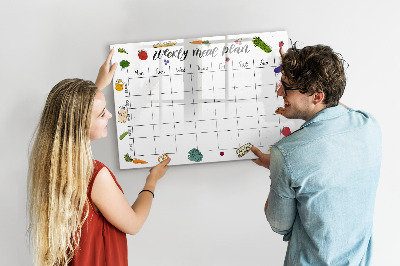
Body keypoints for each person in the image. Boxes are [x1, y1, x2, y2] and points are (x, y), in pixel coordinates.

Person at [27, 49, 171, 266]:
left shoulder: (49, 163)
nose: (110, 116)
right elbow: (134, 224)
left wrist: (97, 86)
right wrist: (152, 180)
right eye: (102, 113)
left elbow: (73, 112)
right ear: (81, 124)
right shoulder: (95, 176)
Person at [251, 44, 382, 265]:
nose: (280, 92)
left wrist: (278, 168)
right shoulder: (369, 125)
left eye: (287, 87)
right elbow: (336, 107)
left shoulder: (287, 153)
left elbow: (279, 225)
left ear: (317, 96)